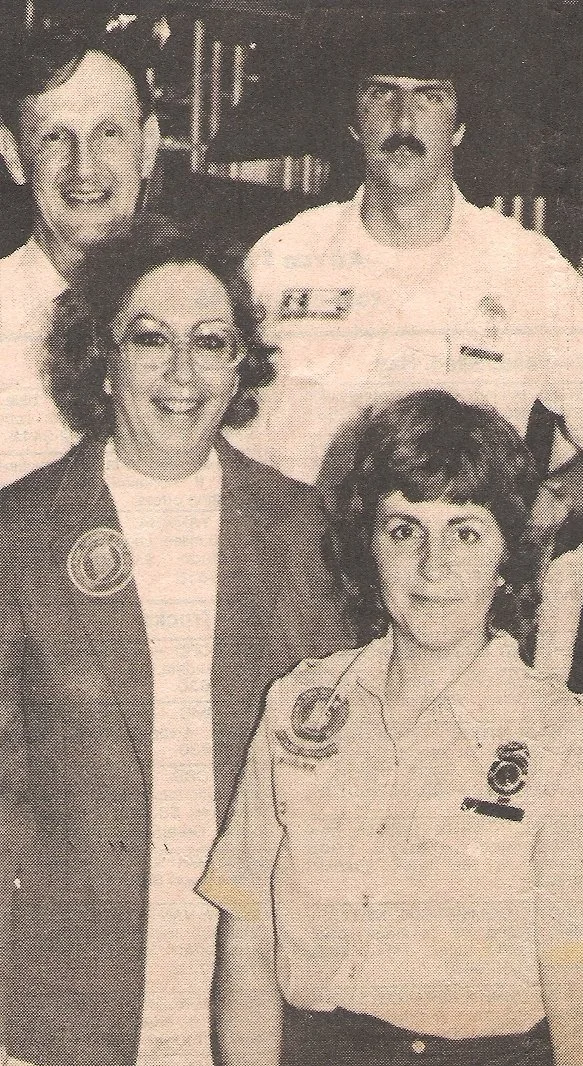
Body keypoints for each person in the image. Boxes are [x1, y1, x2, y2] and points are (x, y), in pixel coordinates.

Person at [0, 219, 355, 1066]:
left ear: (240, 365)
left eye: (210, 341)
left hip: (255, 984)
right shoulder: (21, 532)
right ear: (103, 359)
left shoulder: (304, 531)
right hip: (65, 991)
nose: (182, 372)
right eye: (150, 339)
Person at [200, 390, 583, 1066]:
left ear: (507, 558)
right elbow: (247, 940)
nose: (434, 566)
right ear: (368, 548)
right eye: (404, 530)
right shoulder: (300, 705)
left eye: (465, 532)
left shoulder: (564, 738)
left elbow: (582, 998)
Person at [236, 11, 583, 675]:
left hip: (449, 605)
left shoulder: (524, 269)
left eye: (430, 96)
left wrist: (546, 504)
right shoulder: (282, 259)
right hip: (296, 587)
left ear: (461, 125)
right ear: (353, 120)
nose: (403, 116)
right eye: (382, 93)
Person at [0, 22, 160, 486]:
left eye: (109, 134)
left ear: (148, 146)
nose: (84, 166)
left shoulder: (201, 313)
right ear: (13, 154)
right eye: (55, 138)